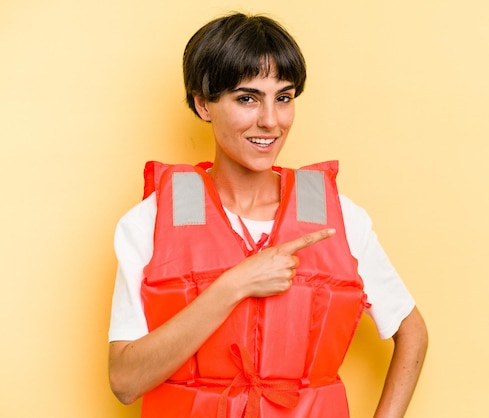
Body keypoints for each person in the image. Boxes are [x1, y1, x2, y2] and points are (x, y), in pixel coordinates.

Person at [108, 12, 428, 418]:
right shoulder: (147, 222)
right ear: (202, 103)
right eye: (247, 98)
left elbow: (412, 333)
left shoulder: (339, 219)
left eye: (284, 97)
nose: (270, 121)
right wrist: (236, 283)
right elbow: (124, 382)